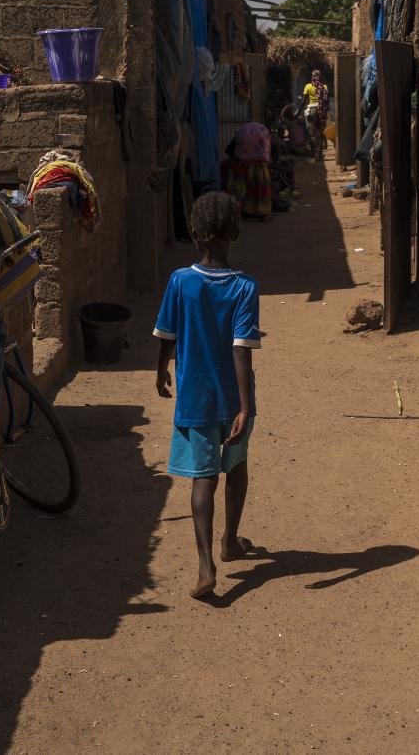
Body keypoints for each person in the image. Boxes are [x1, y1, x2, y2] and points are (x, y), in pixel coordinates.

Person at [154, 192, 262, 598]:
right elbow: (240, 347)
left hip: (195, 400)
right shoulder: (244, 287)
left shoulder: (180, 282)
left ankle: (205, 565)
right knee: (235, 467)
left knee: (202, 478)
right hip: (234, 402)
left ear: (195, 233)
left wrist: (160, 370)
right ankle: (230, 541)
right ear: (234, 233)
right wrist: (244, 405)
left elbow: (167, 334)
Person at [228, 121, 273, 221]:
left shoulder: (241, 133)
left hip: (242, 163)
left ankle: (240, 211)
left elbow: (231, 150)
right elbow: (266, 148)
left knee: (240, 189)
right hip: (260, 163)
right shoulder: (263, 132)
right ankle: (262, 212)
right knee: (260, 189)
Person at [301, 70, 329, 154]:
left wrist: (298, 112)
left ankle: (313, 153)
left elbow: (304, 101)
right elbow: (326, 101)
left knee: (311, 133)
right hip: (321, 111)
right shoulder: (324, 87)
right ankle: (319, 152)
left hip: (311, 110)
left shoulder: (308, 86)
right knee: (320, 132)